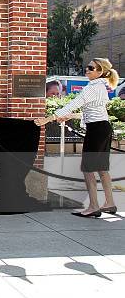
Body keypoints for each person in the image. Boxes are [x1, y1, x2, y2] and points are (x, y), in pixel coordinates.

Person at [35, 58, 119, 218]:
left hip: (97, 130)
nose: (86, 70)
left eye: (91, 68)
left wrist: (48, 118)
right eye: (87, 67)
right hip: (103, 128)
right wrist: (67, 116)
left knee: (88, 169)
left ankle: (94, 206)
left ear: (100, 71)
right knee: (102, 168)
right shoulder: (100, 87)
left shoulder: (92, 88)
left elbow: (74, 103)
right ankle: (109, 203)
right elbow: (91, 111)